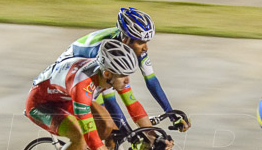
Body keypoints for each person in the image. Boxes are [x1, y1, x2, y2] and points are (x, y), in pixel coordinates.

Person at [57, 8, 190, 137]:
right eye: (141, 43)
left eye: (146, 42)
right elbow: (109, 100)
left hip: (94, 68)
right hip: (71, 74)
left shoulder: (131, 46)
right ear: (126, 40)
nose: (146, 47)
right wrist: (129, 135)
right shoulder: (105, 53)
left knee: (125, 130)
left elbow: (151, 81)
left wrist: (171, 114)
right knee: (107, 129)